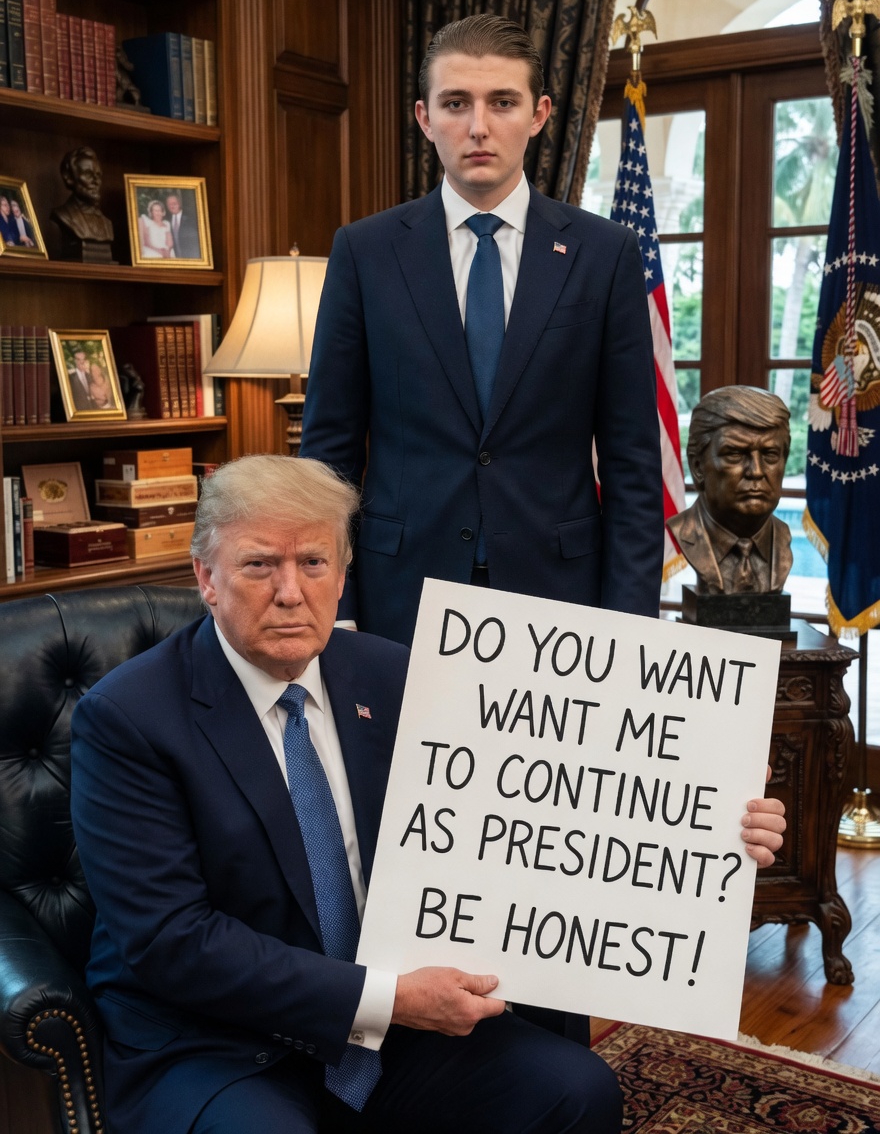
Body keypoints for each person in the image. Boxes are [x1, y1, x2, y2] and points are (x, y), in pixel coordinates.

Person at [70, 454, 785, 1134]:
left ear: (343, 573)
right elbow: (173, 942)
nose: (290, 592)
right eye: (260, 565)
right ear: (206, 576)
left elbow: (557, 802)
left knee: (577, 1091)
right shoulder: (128, 718)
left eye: (313, 562)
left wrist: (710, 813)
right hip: (221, 1041)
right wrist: (388, 998)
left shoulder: (396, 674)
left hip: (394, 1028)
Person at [300, 14, 664, 647]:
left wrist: (629, 624)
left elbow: (632, 462)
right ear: (424, 117)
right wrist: (339, 603)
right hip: (398, 596)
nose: (478, 126)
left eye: (502, 102)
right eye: (455, 103)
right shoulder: (365, 252)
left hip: (561, 601)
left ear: (539, 114)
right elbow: (329, 454)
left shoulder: (605, 255)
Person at [667, 386, 793, 595]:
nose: (756, 471)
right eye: (735, 454)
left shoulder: (783, 539)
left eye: (770, 454)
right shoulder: (684, 531)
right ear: (698, 466)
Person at [51, 146, 115, 244]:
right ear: (69, 178)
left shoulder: (107, 223)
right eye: (88, 174)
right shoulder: (63, 215)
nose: (96, 181)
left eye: (98, 175)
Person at [165, 191, 201, 258]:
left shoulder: (191, 217)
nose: (172, 206)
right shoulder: (167, 220)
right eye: (169, 204)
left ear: (179, 203)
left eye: (174, 203)